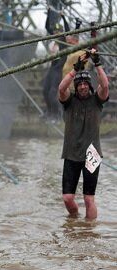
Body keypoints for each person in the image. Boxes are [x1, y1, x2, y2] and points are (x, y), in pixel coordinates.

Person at [58, 51, 109, 220]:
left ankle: (89, 232)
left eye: (85, 83)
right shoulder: (69, 101)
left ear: (89, 85)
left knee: (88, 199)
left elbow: (105, 85)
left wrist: (97, 63)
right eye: (79, 84)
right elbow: (61, 88)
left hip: (92, 155)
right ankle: (74, 219)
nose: (82, 86)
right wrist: (75, 70)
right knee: (67, 198)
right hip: (71, 153)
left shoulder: (97, 100)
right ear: (76, 86)